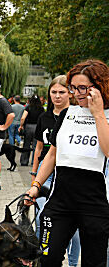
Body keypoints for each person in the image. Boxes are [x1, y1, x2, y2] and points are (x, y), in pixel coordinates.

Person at [26, 59, 109, 266]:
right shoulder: (67, 114)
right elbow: (52, 155)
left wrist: (98, 114)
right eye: (74, 88)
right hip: (61, 200)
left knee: (94, 261)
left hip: (96, 204)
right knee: (47, 257)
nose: (78, 93)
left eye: (84, 88)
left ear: (101, 87)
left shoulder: (106, 116)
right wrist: (36, 186)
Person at [30, 75, 80, 267]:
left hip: (67, 174)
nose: (57, 96)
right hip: (46, 174)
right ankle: (41, 257)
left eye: (62, 92)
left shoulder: (76, 116)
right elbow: (41, 149)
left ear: (69, 93)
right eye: (54, 92)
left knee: (73, 228)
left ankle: (73, 263)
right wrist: (35, 176)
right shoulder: (45, 117)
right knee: (43, 216)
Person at [19, 95, 45, 166]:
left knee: (26, 144)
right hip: (37, 127)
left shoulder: (28, 107)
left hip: (28, 127)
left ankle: (24, 161)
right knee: (36, 146)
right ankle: (34, 162)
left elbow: (23, 118)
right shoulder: (41, 108)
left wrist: (21, 126)